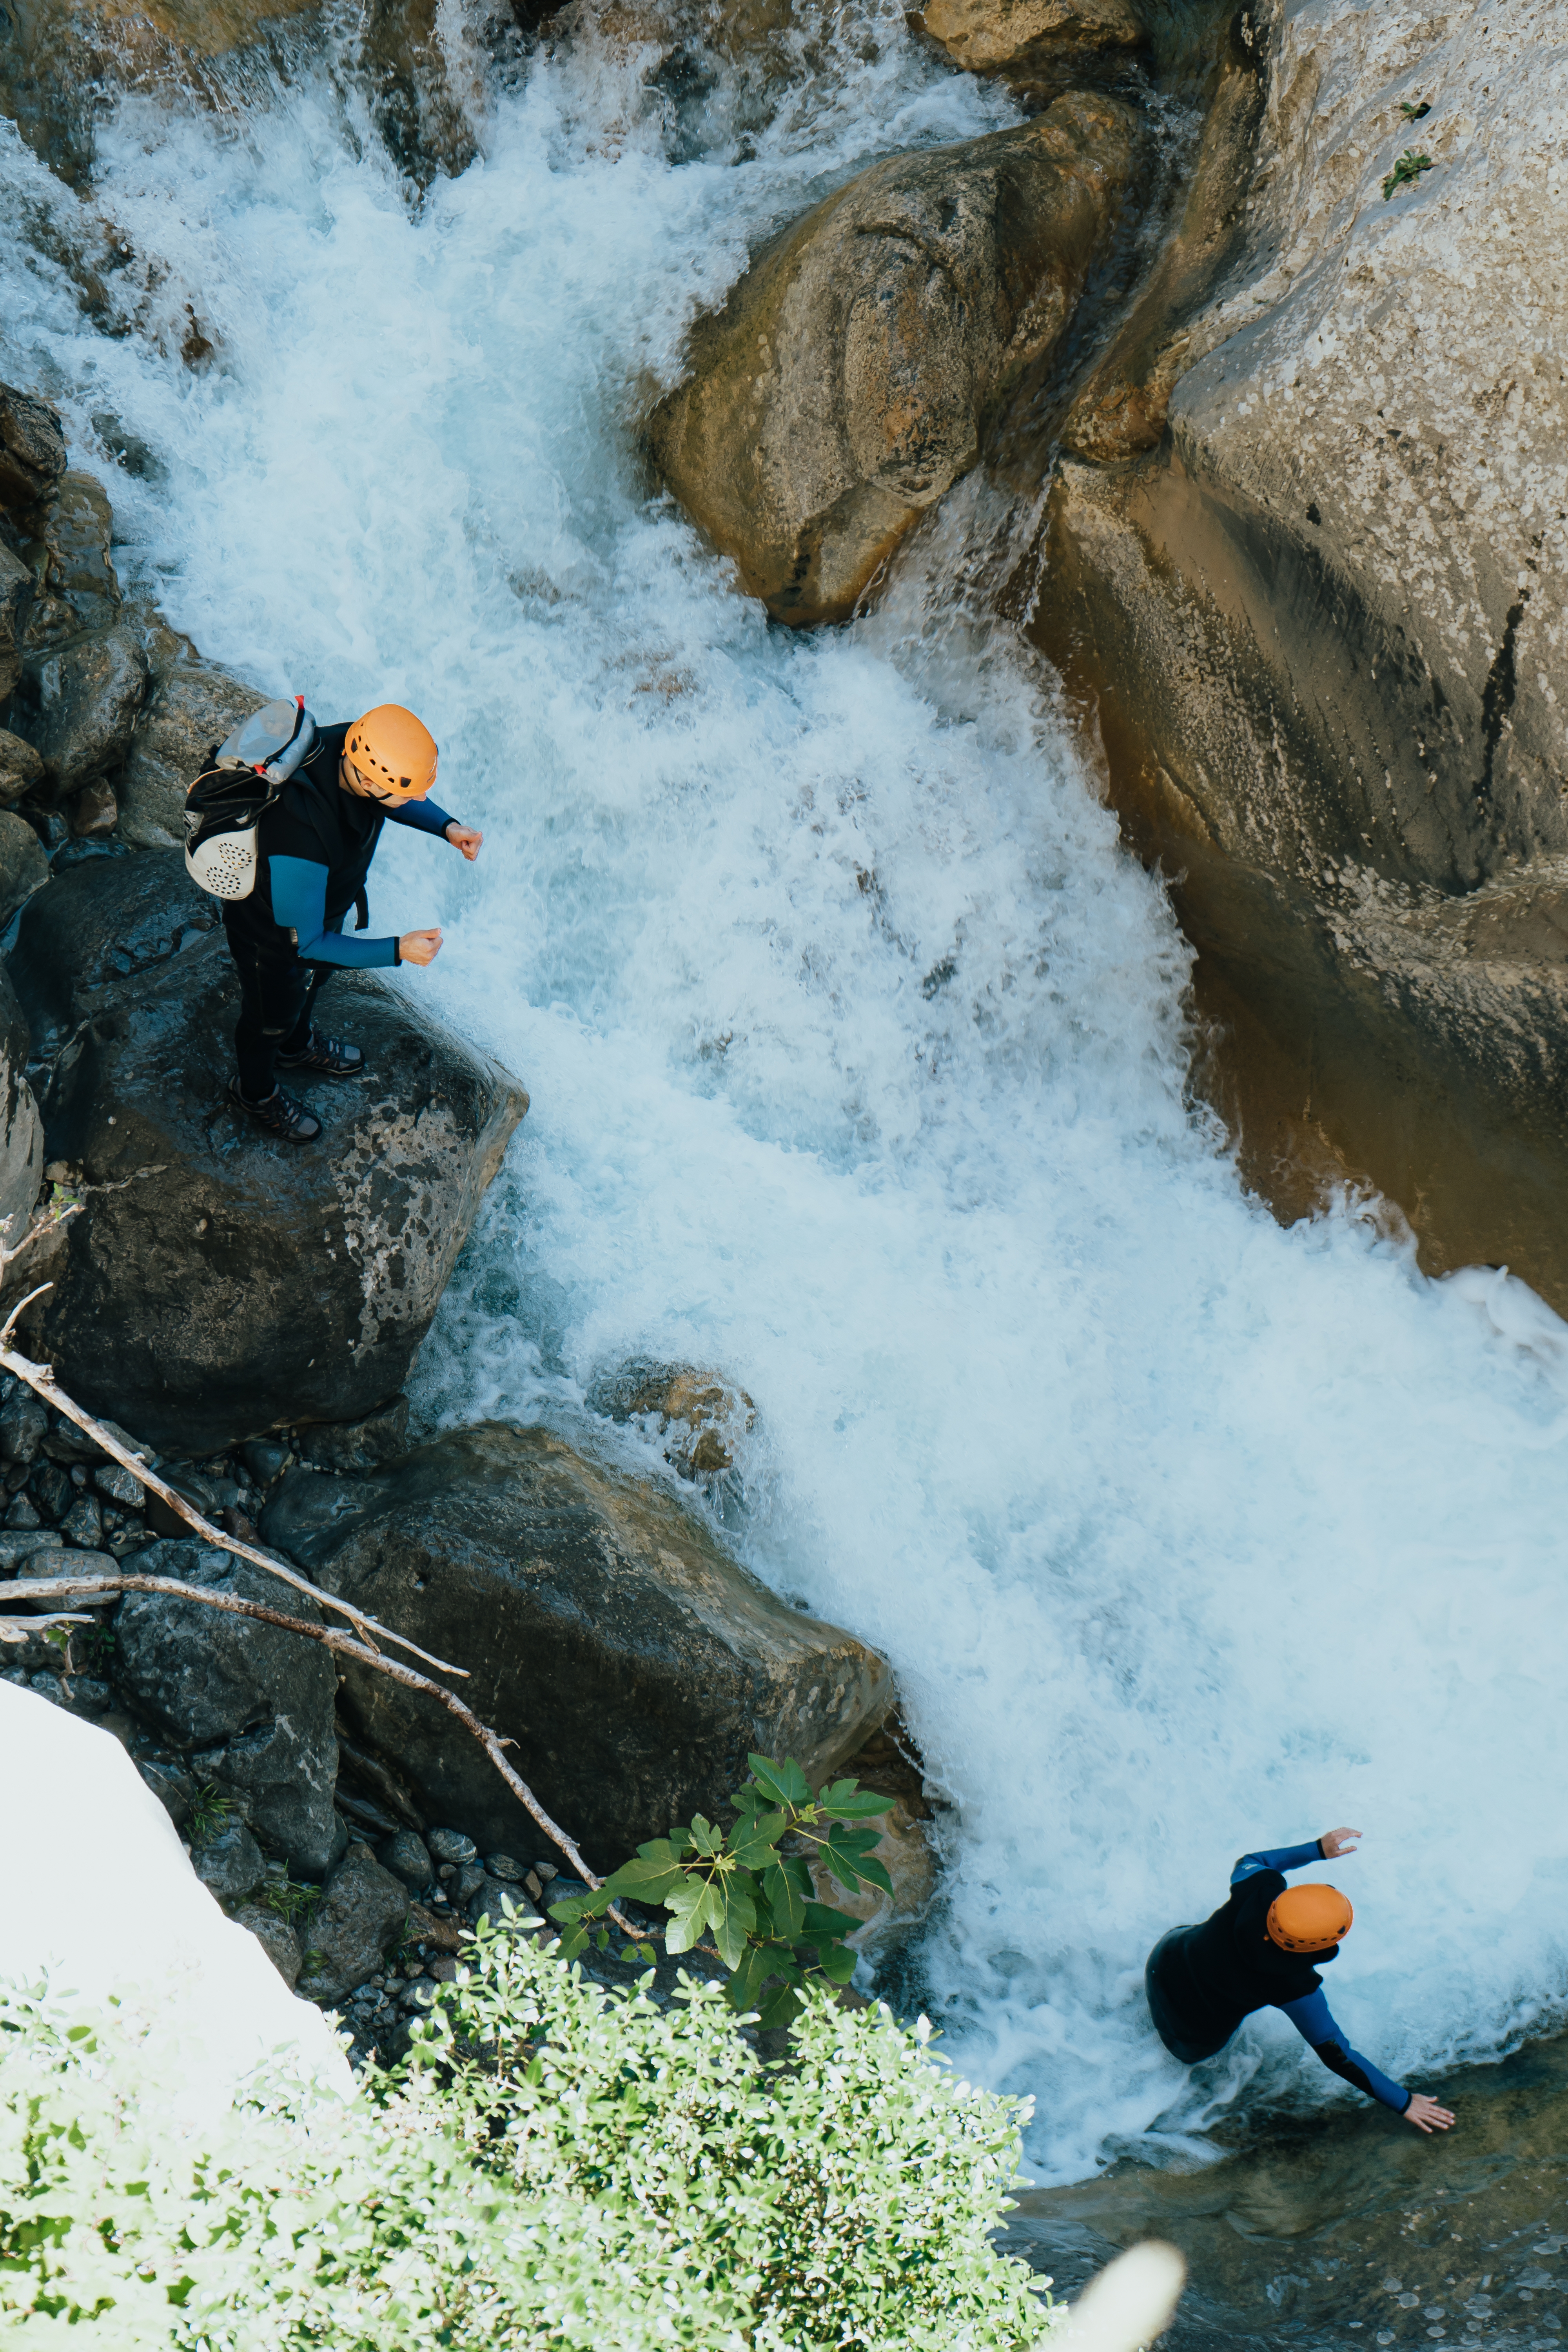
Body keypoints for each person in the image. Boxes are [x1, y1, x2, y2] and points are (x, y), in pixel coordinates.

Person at [221, 703, 482, 1143]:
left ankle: (296, 1046)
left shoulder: (352, 744)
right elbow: (307, 946)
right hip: (271, 936)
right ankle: (255, 1091)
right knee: (270, 1016)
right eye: (406, 794)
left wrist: (447, 827)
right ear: (368, 781)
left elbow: (395, 796)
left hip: (322, 907)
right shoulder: (298, 833)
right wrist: (398, 949)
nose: (417, 800)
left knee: (314, 983)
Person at [1145, 1828, 1455, 2133]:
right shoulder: (1294, 1987)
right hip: (1190, 2035)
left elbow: (1253, 1860)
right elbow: (1339, 2056)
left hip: (1164, 1960)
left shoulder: (1258, 1887)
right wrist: (1404, 2102)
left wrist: (1317, 1849)